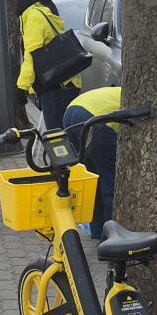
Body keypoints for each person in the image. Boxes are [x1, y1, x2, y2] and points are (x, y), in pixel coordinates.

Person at [14, 0, 78, 129]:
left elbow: (32, 54)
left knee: (58, 139)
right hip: (65, 83)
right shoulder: (45, 11)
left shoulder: (34, 16)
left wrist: (22, 87)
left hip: (55, 86)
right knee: (68, 134)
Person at [60, 84, 120, 233]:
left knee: (93, 178)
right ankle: (110, 237)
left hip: (72, 111)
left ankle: (97, 229)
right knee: (111, 180)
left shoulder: (123, 91)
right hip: (96, 119)